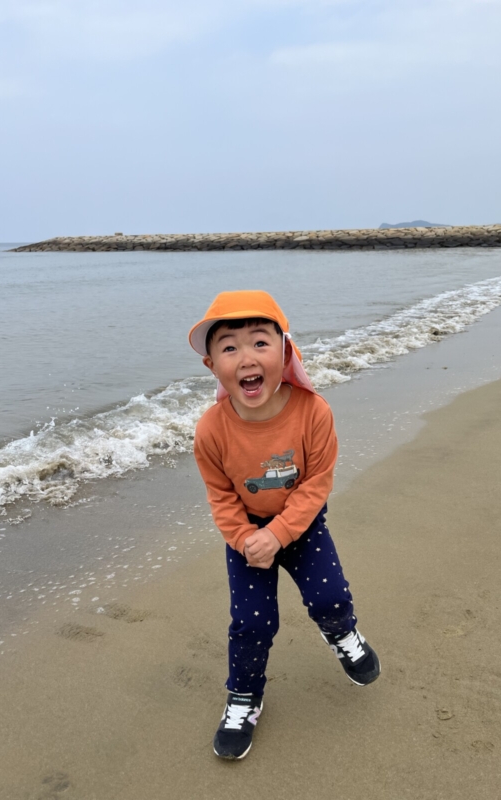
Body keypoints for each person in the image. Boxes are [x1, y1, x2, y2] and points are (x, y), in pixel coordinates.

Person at [189, 290, 380, 760]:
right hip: (247, 536)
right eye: (229, 347)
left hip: (302, 522)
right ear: (212, 365)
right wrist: (246, 538)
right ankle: (244, 695)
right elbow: (221, 496)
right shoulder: (210, 430)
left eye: (260, 342)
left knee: (330, 598)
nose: (246, 357)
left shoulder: (314, 412)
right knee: (252, 623)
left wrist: (280, 532)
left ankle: (343, 634)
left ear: (286, 351)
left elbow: (317, 483)